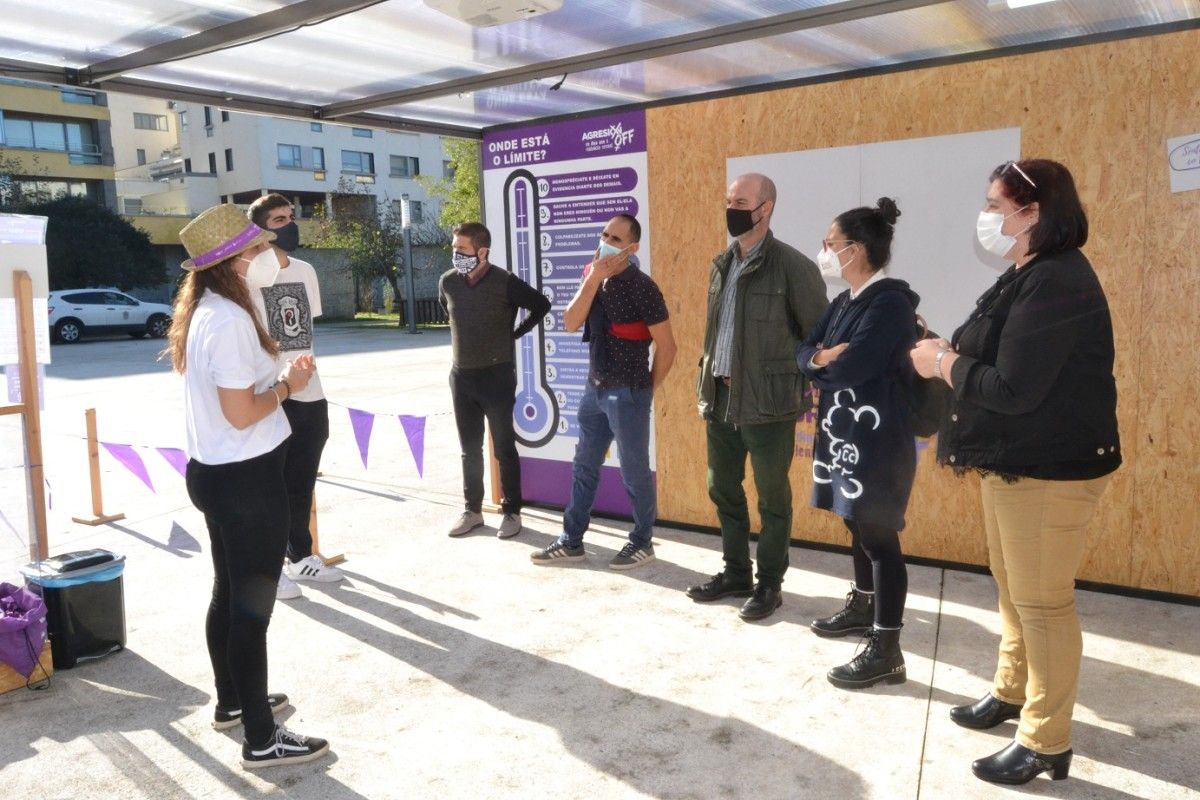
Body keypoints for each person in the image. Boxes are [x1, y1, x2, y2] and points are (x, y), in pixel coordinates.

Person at [911, 159, 1120, 785]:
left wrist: (943, 362)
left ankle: (1045, 741)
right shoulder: (1025, 274)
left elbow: (1014, 387)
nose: (989, 218)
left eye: (997, 206)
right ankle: (1011, 692)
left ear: (1034, 213)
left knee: (1044, 603)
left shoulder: (1057, 280)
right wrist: (940, 345)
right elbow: (997, 354)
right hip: (1015, 461)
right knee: (1013, 586)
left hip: (1050, 467)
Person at [166, 204, 329, 769]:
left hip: (216, 475)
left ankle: (235, 702)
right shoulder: (230, 321)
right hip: (245, 480)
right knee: (251, 610)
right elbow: (242, 413)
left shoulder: (209, 310)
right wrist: (289, 385)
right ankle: (261, 738)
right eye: (257, 248)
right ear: (234, 261)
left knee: (229, 593)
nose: (267, 254)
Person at [688, 173, 828, 621]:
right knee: (722, 488)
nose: (732, 207)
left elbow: (816, 339)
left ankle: (769, 584)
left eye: (742, 200)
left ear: (765, 208)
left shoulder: (793, 267)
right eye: (728, 199)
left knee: (772, 499)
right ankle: (735, 573)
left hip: (769, 404)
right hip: (721, 397)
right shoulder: (720, 263)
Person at [796, 198, 917, 688]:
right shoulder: (845, 301)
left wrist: (823, 362)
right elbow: (804, 350)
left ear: (857, 249)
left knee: (880, 538)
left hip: (878, 439)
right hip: (843, 435)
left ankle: (887, 648)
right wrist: (820, 356)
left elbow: (855, 366)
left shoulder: (889, 303)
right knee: (854, 524)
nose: (824, 250)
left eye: (831, 242)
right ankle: (863, 607)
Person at [530, 214, 676, 569]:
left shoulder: (643, 286)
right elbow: (569, 321)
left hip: (628, 392)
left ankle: (642, 541)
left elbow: (668, 347)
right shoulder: (593, 278)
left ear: (632, 248)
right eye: (604, 234)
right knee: (584, 465)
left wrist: (644, 391)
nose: (606, 240)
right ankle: (572, 540)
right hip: (593, 389)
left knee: (634, 471)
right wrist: (593, 277)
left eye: (616, 237)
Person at [245, 194, 343, 601]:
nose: (289, 224)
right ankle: (268, 570)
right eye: (279, 219)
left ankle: (300, 556)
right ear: (261, 230)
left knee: (301, 481)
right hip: (271, 391)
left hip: (311, 391)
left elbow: (303, 331)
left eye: (291, 217)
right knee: (268, 486)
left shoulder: (305, 271)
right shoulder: (248, 277)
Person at [440, 221, 551, 539]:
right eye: (454, 247)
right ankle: (472, 511)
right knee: (469, 449)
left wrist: (513, 333)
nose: (456, 254)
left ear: (483, 251)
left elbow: (541, 305)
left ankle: (512, 512)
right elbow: (449, 312)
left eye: (462, 249)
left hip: (497, 377)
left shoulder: (505, 282)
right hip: (462, 378)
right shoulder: (448, 282)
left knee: (504, 447)